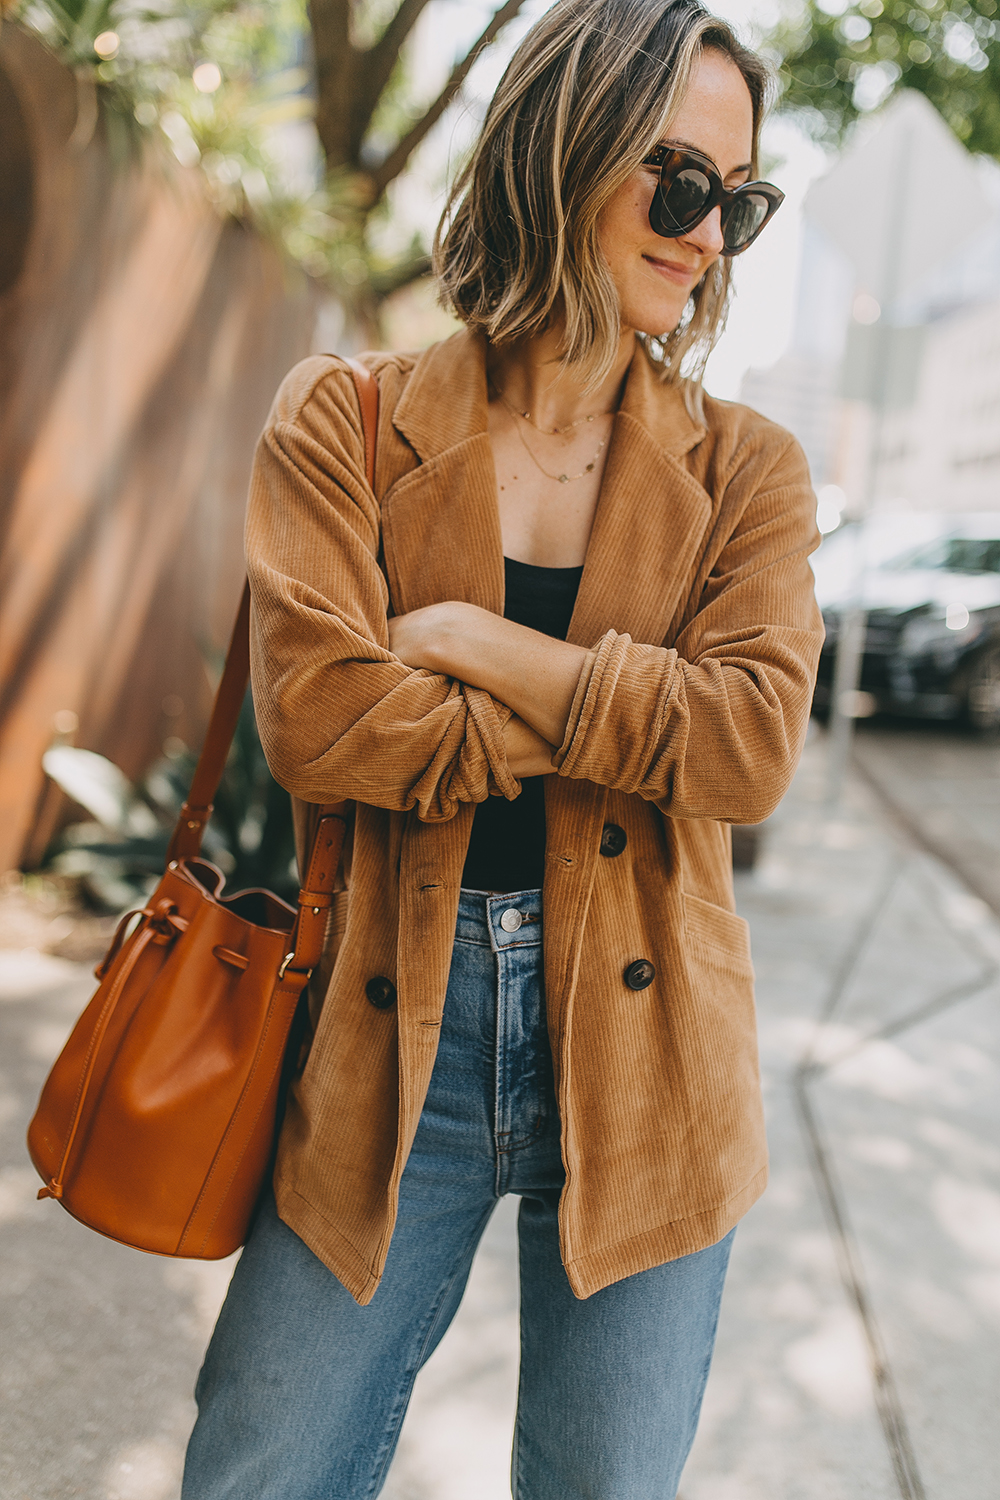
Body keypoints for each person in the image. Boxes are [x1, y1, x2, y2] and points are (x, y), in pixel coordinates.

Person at [182, 0, 823, 1494]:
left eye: (738, 202)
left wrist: (478, 643)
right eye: (677, 184)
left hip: (656, 1065)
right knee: (256, 1469)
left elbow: (746, 750)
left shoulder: (748, 474)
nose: (706, 234)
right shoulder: (345, 422)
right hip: (386, 1042)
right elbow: (325, 725)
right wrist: (620, 713)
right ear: (564, 149)